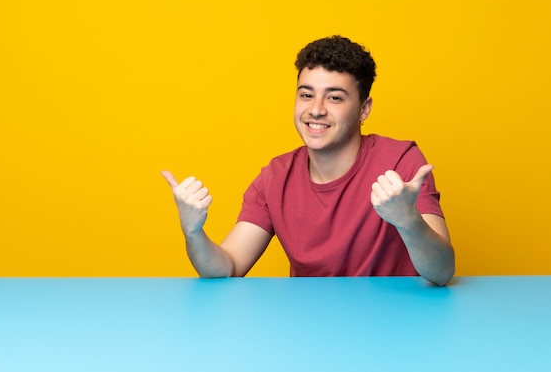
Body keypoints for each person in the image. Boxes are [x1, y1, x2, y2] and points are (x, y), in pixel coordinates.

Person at [162, 35, 455, 286]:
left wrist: (408, 220)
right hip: (308, 332)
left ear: (364, 109)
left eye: (335, 98)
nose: (316, 110)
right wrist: (193, 231)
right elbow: (228, 267)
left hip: (391, 329)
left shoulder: (401, 162)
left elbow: (442, 272)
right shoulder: (275, 177)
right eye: (306, 95)